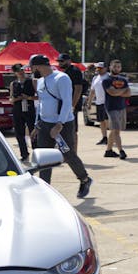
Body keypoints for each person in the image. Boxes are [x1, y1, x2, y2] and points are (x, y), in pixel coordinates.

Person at [29, 54, 93, 197]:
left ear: (38, 66)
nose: (32, 70)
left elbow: (66, 102)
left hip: (62, 125)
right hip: (45, 125)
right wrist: (37, 125)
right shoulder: (40, 82)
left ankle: (85, 179)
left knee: (68, 154)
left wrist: (59, 124)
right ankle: (45, 189)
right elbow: (41, 105)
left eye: (33, 67)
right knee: (45, 158)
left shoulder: (61, 78)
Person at [103, 59, 131, 159]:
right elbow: (112, 93)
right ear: (110, 67)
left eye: (118, 67)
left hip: (121, 107)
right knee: (116, 130)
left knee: (115, 130)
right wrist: (122, 91)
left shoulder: (123, 80)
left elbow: (129, 93)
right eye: (114, 66)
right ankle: (121, 151)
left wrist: (118, 91)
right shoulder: (106, 80)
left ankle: (108, 151)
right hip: (111, 108)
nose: (116, 68)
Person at [8, 63, 36, 161]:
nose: (21, 72)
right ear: (15, 73)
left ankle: (36, 151)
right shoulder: (13, 84)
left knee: (33, 130)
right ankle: (24, 153)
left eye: (22, 70)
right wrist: (16, 99)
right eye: (18, 71)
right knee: (19, 132)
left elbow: (38, 96)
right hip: (18, 108)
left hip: (29, 107)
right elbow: (10, 99)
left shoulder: (32, 81)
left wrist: (28, 97)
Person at [57, 53, 84, 150]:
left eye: (62, 61)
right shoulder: (63, 72)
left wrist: (72, 105)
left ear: (69, 61)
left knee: (72, 130)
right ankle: (64, 152)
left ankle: (73, 153)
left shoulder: (74, 71)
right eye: (59, 61)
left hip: (71, 106)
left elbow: (78, 89)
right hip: (63, 105)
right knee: (61, 129)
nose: (60, 63)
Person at [90, 62, 109, 145]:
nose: (99, 70)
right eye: (98, 68)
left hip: (107, 102)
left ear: (105, 68)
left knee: (108, 120)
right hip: (99, 102)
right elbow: (92, 91)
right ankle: (104, 137)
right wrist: (89, 101)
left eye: (101, 68)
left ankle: (112, 137)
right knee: (101, 121)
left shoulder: (109, 77)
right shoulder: (95, 78)